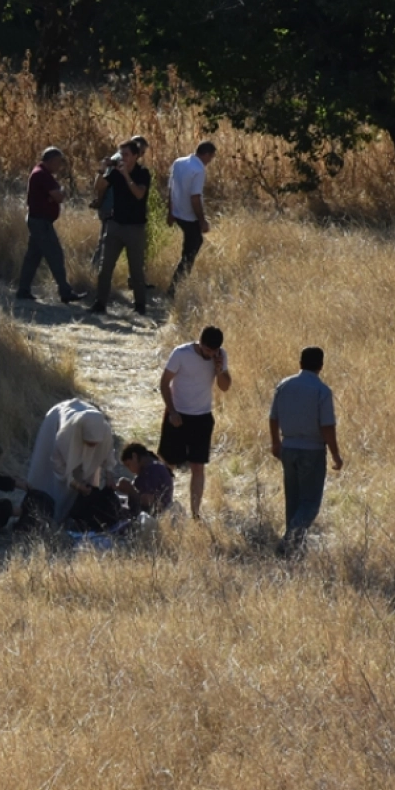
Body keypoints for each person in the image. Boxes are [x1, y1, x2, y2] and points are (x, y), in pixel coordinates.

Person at [269, 347, 343, 555]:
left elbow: (273, 417)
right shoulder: (322, 391)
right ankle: (289, 542)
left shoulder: (284, 385)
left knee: (293, 499)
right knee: (310, 503)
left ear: (300, 363)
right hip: (312, 450)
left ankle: (293, 547)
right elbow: (327, 426)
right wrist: (335, 454)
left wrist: (276, 442)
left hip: (288, 447)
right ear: (321, 365)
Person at [159, 325, 233, 520]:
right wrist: (172, 412)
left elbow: (225, 387)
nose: (210, 354)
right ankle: (162, 506)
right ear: (200, 343)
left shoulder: (220, 356)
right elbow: (164, 383)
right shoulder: (181, 353)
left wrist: (218, 369)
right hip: (177, 415)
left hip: (202, 417)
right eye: (207, 350)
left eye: (214, 350)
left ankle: (195, 513)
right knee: (168, 464)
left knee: (198, 467)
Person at [24, 399, 114, 525]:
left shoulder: (103, 430)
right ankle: (49, 516)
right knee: (55, 486)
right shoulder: (65, 435)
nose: (92, 448)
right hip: (55, 423)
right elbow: (58, 464)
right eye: (89, 443)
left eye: (95, 444)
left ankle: (72, 516)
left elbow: (107, 451)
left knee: (85, 488)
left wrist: (109, 474)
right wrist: (75, 484)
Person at [15, 147, 86, 304]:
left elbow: (55, 196)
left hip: (37, 220)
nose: (60, 166)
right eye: (59, 162)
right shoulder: (42, 175)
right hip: (41, 222)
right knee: (55, 255)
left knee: (33, 257)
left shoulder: (41, 173)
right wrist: (59, 193)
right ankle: (65, 291)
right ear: (52, 160)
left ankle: (23, 289)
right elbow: (59, 196)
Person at [89, 140, 152, 315]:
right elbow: (99, 187)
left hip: (135, 228)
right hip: (115, 225)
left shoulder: (143, 173)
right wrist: (102, 170)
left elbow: (139, 194)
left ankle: (140, 306)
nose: (122, 158)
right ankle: (100, 303)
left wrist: (126, 175)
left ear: (135, 156)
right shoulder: (115, 172)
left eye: (126, 154)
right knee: (105, 268)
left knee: (136, 270)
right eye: (120, 154)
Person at [167, 141, 217, 289]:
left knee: (192, 245)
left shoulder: (179, 162)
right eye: (211, 157)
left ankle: (179, 284)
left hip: (178, 213)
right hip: (189, 216)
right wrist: (202, 221)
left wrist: (170, 212)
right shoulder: (199, 169)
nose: (210, 161)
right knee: (190, 251)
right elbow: (195, 197)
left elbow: (171, 188)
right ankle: (176, 287)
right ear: (206, 154)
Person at [114, 442, 174, 516]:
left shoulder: (152, 470)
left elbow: (148, 501)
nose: (130, 470)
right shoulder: (151, 468)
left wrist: (130, 490)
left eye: (128, 465)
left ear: (134, 456)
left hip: (153, 516)